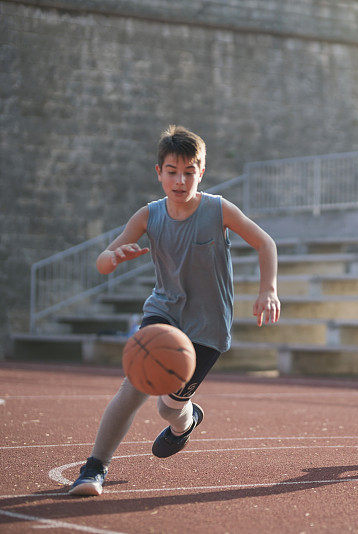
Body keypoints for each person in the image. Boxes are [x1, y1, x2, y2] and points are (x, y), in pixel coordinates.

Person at [69, 125, 280, 496]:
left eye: (189, 171)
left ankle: (186, 419)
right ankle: (93, 468)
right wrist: (112, 256)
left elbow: (266, 243)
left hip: (208, 326)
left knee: (168, 409)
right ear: (159, 173)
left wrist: (269, 290)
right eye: (172, 171)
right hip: (163, 312)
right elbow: (102, 262)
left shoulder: (218, 209)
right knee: (133, 386)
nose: (180, 180)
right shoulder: (148, 216)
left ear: (202, 171)